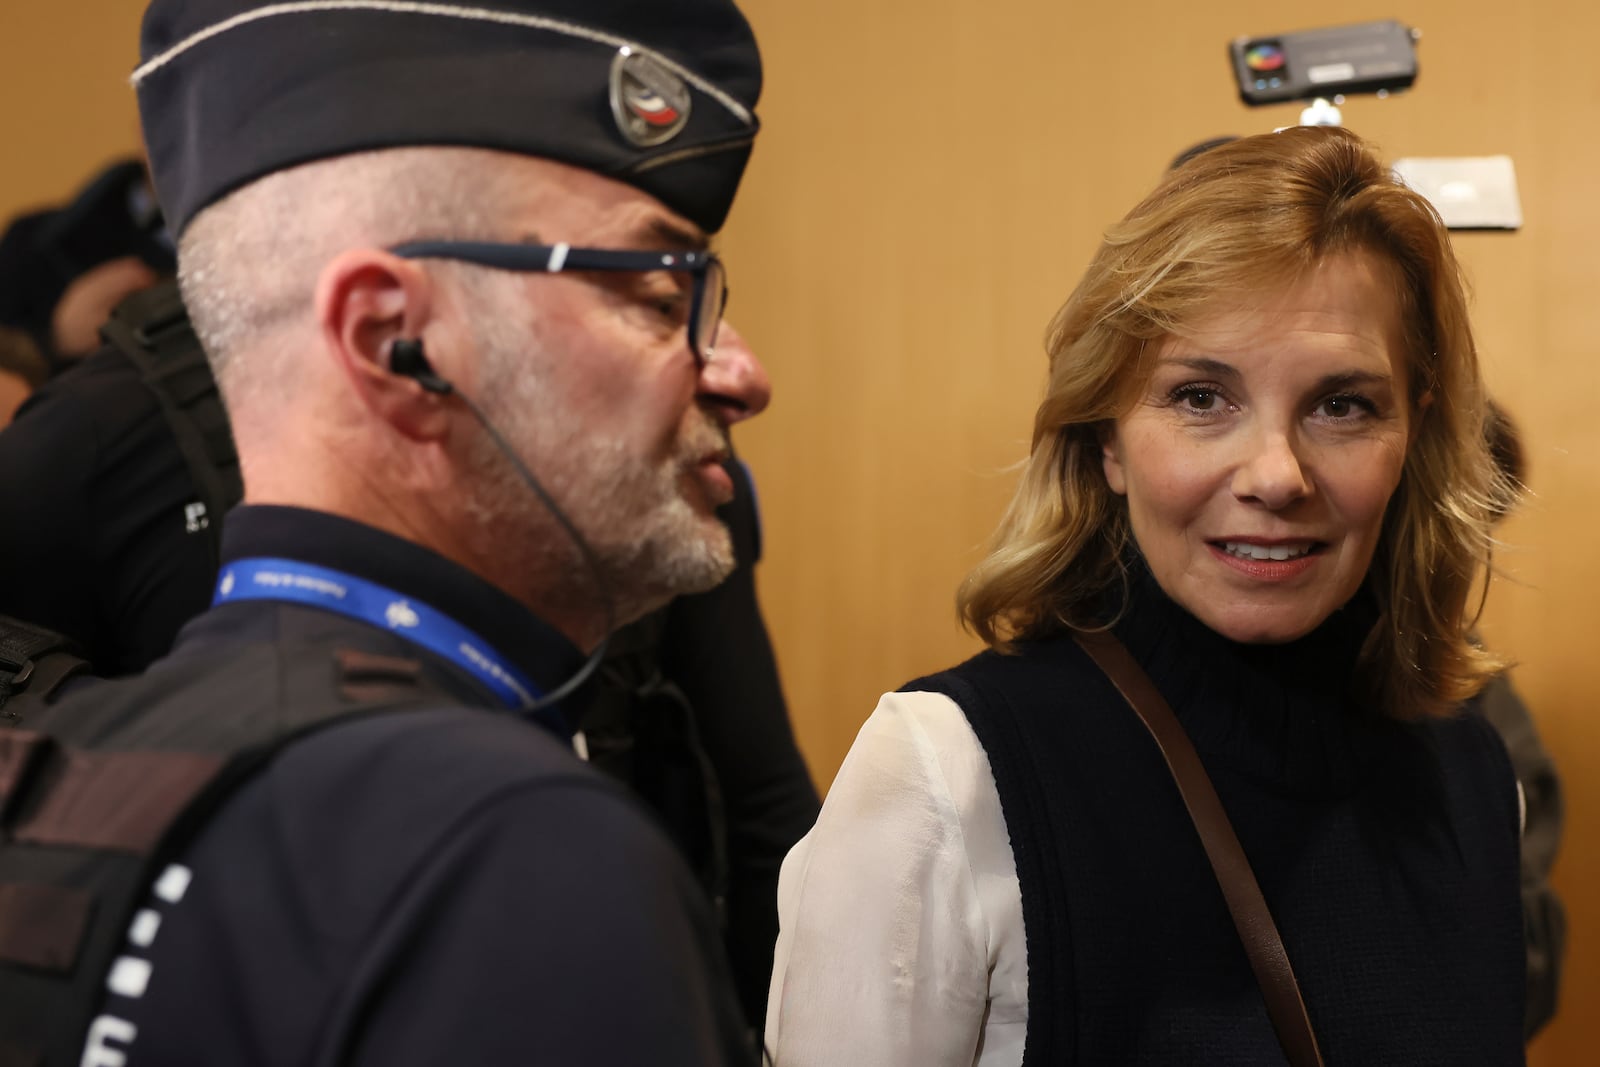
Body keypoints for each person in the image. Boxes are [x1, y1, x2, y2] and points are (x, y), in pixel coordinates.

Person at [0, 0, 774, 1064]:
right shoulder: (512, 855)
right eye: (657, 292)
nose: (740, 372)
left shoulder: (52, 796)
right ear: (393, 338)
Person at [766, 126, 1525, 1065]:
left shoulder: (1471, 773)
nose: (1277, 474)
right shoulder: (946, 776)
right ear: (1107, 443)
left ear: (1415, 433)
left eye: (1343, 404)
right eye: (1203, 398)